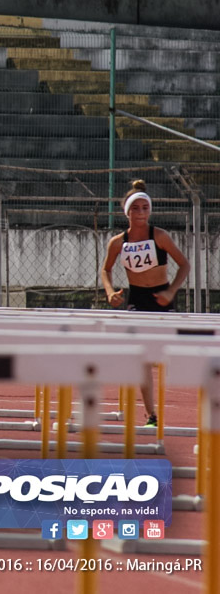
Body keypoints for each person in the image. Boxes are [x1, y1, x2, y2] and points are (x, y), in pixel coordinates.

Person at [100, 179, 190, 426]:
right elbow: (105, 270)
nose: (140, 213)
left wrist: (171, 292)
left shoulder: (159, 236)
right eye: (135, 208)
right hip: (137, 299)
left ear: (150, 210)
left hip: (162, 299)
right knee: (143, 361)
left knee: (167, 357)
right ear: (127, 212)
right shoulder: (117, 242)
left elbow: (184, 264)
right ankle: (151, 415)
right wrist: (110, 292)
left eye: (144, 208)